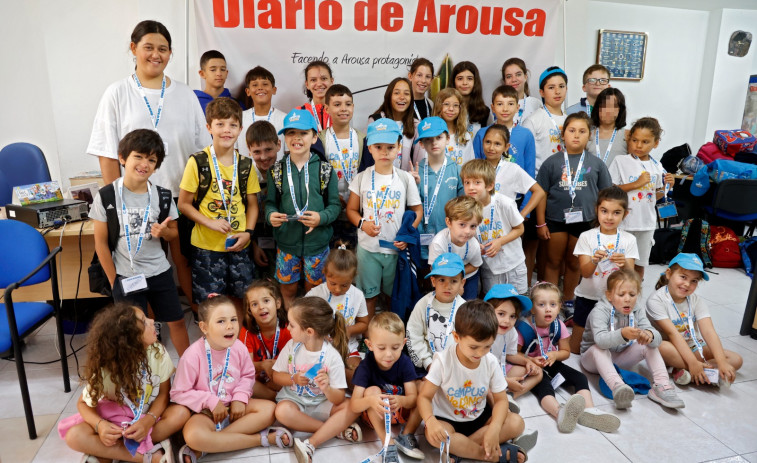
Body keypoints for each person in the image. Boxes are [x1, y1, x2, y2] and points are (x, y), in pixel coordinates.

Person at [87, 20, 209, 320]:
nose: (156, 55)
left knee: (183, 262)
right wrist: (116, 202)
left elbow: (201, 150)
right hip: (134, 203)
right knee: (141, 267)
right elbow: (107, 153)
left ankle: (193, 320)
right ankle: (150, 330)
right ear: (134, 49)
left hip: (181, 200)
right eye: (148, 48)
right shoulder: (116, 93)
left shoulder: (185, 94)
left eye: (163, 49)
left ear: (171, 53)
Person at [91, 129, 190, 356]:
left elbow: (174, 233)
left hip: (159, 272)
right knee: (134, 329)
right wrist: (115, 281)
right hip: (126, 276)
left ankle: (190, 370)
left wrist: (165, 233)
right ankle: (141, 375)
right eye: (139, 156)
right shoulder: (106, 196)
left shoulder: (162, 196)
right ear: (123, 158)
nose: (145, 163)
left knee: (176, 322)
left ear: (156, 165)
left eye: (152, 159)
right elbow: (101, 244)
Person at [59, 303, 186, 463]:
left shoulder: (157, 351)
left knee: (181, 413)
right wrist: (100, 426)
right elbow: (83, 404)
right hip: (115, 421)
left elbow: (163, 394)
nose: (153, 320)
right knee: (74, 436)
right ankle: (147, 455)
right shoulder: (104, 369)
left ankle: (105, 452)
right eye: (145, 322)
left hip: (149, 417)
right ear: (130, 340)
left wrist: (148, 421)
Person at [171, 294, 286, 461]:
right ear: (204, 327)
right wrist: (210, 401)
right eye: (221, 321)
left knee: (269, 410)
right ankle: (259, 439)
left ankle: (207, 447)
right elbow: (178, 393)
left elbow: (247, 376)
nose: (230, 326)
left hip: (234, 408)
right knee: (193, 436)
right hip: (206, 414)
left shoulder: (238, 347)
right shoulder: (191, 356)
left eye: (233, 319)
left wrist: (239, 398)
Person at [419, 300, 528, 463]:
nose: (480, 353)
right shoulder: (442, 361)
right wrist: (430, 421)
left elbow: (501, 400)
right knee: (434, 435)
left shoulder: (490, 361)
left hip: (479, 416)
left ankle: (459, 451)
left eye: (487, 346)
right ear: (456, 337)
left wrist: (495, 428)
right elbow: (424, 397)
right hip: (448, 421)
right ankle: (490, 455)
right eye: (474, 347)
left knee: (517, 422)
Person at [178, 97, 260, 314]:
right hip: (206, 247)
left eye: (233, 125)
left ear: (240, 129)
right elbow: (184, 204)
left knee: (242, 300)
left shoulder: (245, 164)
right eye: (220, 124)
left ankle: (238, 345)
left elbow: (252, 205)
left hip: (239, 244)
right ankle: (214, 346)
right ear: (209, 127)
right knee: (211, 305)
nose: (227, 130)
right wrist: (210, 223)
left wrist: (249, 234)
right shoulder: (198, 162)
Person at [536, 112, 613, 314]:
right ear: (563, 134)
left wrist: (603, 223)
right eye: (572, 130)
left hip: (585, 221)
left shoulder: (596, 164)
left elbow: (606, 195)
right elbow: (541, 194)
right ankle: (549, 302)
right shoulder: (551, 162)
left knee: (573, 263)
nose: (576, 135)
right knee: (553, 262)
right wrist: (541, 222)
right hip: (555, 220)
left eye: (582, 131)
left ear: (589, 135)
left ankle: (569, 300)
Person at [346, 118, 423, 319]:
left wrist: (407, 235)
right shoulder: (361, 177)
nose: (384, 152)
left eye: (390, 147)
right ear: (369, 148)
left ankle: (392, 334)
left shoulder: (405, 178)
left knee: (393, 297)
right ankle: (367, 335)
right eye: (378, 147)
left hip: (395, 250)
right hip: (368, 249)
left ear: (399, 147)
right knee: (368, 297)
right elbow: (351, 210)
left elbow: (418, 210)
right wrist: (363, 224)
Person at [264, 109, 341, 308]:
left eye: (303, 133)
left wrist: (321, 218)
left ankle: (312, 330)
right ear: (284, 138)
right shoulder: (276, 171)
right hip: (286, 245)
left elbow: (335, 206)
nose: (297, 138)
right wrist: (270, 215)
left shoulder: (325, 170)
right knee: (287, 291)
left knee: (313, 293)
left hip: (317, 246)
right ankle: (293, 329)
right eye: (290, 133)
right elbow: (270, 203)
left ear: (314, 137)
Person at [519, 282, 620, 433]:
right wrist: (530, 361)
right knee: (544, 387)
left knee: (579, 377)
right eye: (541, 304)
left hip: (550, 361)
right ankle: (560, 413)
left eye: (553, 304)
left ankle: (590, 411)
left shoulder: (559, 325)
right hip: (531, 366)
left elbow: (566, 351)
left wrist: (555, 354)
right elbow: (514, 354)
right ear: (532, 308)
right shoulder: (523, 328)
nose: (548, 309)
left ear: (559, 306)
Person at [271, 297, 363, 463]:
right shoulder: (292, 347)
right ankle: (334, 430)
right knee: (281, 411)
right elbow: (276, 376)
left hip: (322, 404)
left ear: (309, 332)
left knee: (352, 406)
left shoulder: (332, 356)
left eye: (292, 324)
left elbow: (339, 398)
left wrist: (327, 388)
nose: (288, 327)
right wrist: (293, 379)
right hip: (295, 402)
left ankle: (311, 444)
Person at [581, 269, 685, 409]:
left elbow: (657, 339)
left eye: (632, 294)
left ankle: (662, 386)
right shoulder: (600, 310)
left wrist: (649, 335)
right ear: (609, 295)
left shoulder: (636, 309)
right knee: (598, 349)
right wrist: (622, 334)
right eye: (621, 294)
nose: (627, 299)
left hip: (619, 358)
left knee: (648, 344)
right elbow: (600, 340)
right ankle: (618, 387)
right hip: (593, 360)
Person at [646, 254, 743, 387]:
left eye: (694, 281)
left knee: (736, 360)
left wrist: (721, 362)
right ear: (668, 274)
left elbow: (709, 332)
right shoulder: (656, 300)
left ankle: (688, 371)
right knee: (660, 347)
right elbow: (673, 334)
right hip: (672, 350)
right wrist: (692, 362)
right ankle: (697, 370)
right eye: (683, 277)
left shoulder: (696, 300)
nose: (687, 284)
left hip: (693, 346)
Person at [569, 186, 638, 354]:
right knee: (576, 345)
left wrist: (624, 264)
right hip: (588, 296)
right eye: (604, 211)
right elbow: (585, 273)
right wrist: (594, 260)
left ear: (625, 214)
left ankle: (601, 360)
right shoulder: (587, 236)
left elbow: (631, 277)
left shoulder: (629, 239)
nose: (609, 217)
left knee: (608, 338)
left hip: (615, 300)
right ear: (597, 210)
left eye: (616, 213)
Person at [609, 117, 674, 280]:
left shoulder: (657, 166)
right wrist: (635, 184)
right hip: (624, 223)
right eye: (635, 140)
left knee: (640, 265)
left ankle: (634, 298)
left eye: (645, 142)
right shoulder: (621, 161)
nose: (638, 145)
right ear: (629, 139)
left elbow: (654, 195)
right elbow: (611, 190)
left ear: (656, 143)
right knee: (619, 264)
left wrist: (668, 187)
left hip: (646, 224)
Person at [350, 312, 420, 463]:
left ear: (403, 343)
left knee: (424, 389)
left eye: (395, 347)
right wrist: (370, 401)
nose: (389, 354)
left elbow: (413, 399)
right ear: (370, 345)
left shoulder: (405, 362)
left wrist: (402, 401)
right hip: (374, 416)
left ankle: (407, 435)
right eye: (381, 348)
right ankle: (388, 443)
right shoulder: (365, 366)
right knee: (371, 391)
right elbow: (354, 405)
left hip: (400, 413)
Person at [306, 242, 369, 385]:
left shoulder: (357, 295)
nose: (338, 289)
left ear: (353, 278)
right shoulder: (316, 294)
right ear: (325, 274)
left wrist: (349, 330)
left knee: (357, 380)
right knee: (311, 378)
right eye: (332, 283)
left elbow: (364, 324)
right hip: (319, 348)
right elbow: (302, 318)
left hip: (348, 348)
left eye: (344, 285)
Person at [462, 159, 527, 295]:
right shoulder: (466, 209)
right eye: (467, 182)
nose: (471, 187)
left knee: (518, 304)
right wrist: (475, 245)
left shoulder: (505, 203)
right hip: (489, 268)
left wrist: (500, 241)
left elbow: (520, 229)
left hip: (513, 264)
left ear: (490, 185)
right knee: (494, 305)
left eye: (477, 182)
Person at [411, 116, 464, 262]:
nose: (434, 142)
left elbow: (464, 208)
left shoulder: (458, 171)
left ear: (447, 139)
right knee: (427, 279)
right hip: (423, 236)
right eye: (428, 139)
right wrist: (414, 184)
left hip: (451, 237)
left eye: (439, 137)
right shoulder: (416, 172)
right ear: (421, 144)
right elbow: (412, 207)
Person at [483, 284, 543, 405]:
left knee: (538, 373)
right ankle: (497, 400)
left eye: (512, 316)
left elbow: (510, 354)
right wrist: (504, 381)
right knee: (483, 387)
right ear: (486, 311)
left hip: (500, 369)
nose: (507, 321)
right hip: (481, 375)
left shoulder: (511, 331)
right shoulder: (479, 330)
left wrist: (527, 362)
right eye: (501, 314)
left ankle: (509, 396)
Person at [239, 279, 291, 401]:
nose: (261, 307)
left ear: (278, 303)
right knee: (242, 382)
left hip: (281, 375)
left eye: (266, 301)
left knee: (297, 378)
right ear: (249, 310)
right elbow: (245, 367)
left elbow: (296, 361)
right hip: (257, 378)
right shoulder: (246, 332)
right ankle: (275, 398)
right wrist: (263, 365)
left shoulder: (290, 327)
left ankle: (270, 395)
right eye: (254, 304)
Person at [479, 124, 545, 214]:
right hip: (480, 223)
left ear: (506, 147)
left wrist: (520, 217)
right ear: (482, 142)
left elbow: (539, 192)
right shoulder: (475, 168)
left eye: (497, 144)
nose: (491, 148)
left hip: (506, 225)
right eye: (488, 142)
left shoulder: (512, 169)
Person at [428, 196, 483, 300]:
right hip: (444, 278)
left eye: (473, 226)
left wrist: (459, 281)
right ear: (449, 222)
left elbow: (475, 265)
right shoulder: (438, 243)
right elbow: (434, 269)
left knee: (468, 304)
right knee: (445, 302)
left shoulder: (474, 244)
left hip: (469, 276)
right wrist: (454, 282)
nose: (467, 231)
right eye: (462, 224)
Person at [474, 85, 536, 178]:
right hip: (487, 188)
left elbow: (529, 170)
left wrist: (528, 192)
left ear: (517, 107)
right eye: (500, 104)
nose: (505, 109)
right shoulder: (482, 134)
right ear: (493, 108)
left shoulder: (526, 135)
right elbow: (475, 166)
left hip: (516, 190)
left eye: (510, 104)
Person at [319, 84, 365, 207]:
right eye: (337, 104)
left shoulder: (362, 139)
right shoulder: (321, 140)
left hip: (356, 202)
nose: (344, 109)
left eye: (348, 104)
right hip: (329, 204)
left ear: (353, 107)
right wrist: (331, 196)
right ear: (327, 109)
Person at [246, 121, 281, 279]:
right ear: (249, 151)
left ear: (278, 145)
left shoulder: (287, 172)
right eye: (257, 152)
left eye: (268, 149)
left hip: (281, 234)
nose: (264, 157)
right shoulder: (244, 175)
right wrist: (253, 245)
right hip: (253, 234)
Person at [521, 66, 568, 175]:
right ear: (542, 92)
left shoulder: (569, 120)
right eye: (551, 87)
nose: (557, 91)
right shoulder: (532, 121)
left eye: (561, 86)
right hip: (541, 182)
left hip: (563, 181)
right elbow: (524, 156)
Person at [368, 77, 417, 171]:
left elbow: (418, 160)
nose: (402, 97)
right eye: (397, 93)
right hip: (379, 179)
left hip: (405, 181)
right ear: (389, 96)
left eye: (406, 93)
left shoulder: (415, 125)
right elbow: (368, 157)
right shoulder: (376, 121)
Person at [238, 66, 287, 159]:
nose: (260, 88)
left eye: (265, 84)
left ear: (274, 90)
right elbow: (234, 151)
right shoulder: (239, 118)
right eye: (255, 85)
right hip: (246, 173)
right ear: (248, 91)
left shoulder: (284, 119)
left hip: (276, 172)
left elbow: (288, 153)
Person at [586, 88, 628, 167]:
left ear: (620, 110)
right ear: (597, 108)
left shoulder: (627, 135)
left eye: (614, 106)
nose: (608, 111)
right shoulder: (587, 135)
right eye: (604, 106)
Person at [448, 61, 491, 139]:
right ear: (454, 82)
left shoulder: (484, 111)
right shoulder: (446, 109)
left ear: (475, 82)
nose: (465, 83)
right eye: (460, 79)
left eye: (469, 79)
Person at [432, 88, 474, 166]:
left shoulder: (465, 136)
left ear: (460, 108)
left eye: (455, 105)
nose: (451, 109)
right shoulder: (431, 135)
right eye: (446, 104)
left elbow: (470, 166)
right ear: (438, 106)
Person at [501, 58, 542, 125]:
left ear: (525, 77)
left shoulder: (536, 104)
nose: (514, 79)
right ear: (504, 81)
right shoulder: (499, 104)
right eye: (509, 76)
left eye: (518, 74)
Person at [298, 60, 334, 131]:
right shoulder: (299, 113)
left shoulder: (339, 111)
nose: (319, 84)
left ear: (331, 81)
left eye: (324, 78)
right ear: (307, 84)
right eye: (313, 80)